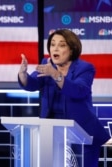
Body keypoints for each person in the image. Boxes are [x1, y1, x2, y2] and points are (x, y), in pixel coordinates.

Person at [18, 29, 110, 167]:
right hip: (52, 132)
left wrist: (55, 75)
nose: (55, 48)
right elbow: (32, 84)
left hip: (83, 133)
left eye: (61, 45)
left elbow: (79, 90)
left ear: (72, 50)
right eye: (52, 44)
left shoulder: (85, 68)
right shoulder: (48, 64)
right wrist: (23, 74)